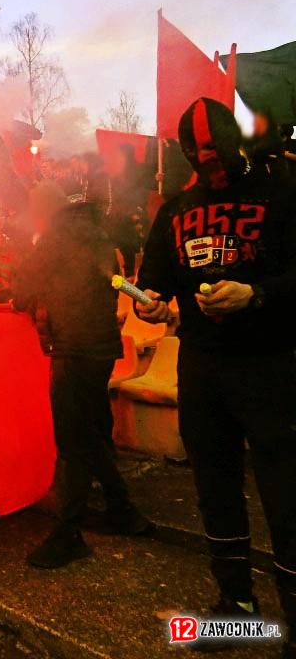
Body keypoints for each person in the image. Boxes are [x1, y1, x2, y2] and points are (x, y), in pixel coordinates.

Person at [136, 97, 296, 657]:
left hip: (273, 366)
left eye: (216, 148)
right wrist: (149, 305)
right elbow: (152, 283)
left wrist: (256, 294)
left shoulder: (282, 190)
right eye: (197, 153)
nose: (209, 161)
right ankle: (238, 609)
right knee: (215, 489)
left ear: (234, 139)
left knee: (285, 492)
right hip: (203, 369)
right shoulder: (175, 210)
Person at [12, 181, 151, 569]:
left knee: (73, 440)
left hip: (73, 350)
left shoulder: (53, 241)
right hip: (103, 349)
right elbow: (113, 281)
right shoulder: (98, 234)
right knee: (92, 429)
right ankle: (123, 511)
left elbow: (21, 290)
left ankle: (68, 532)